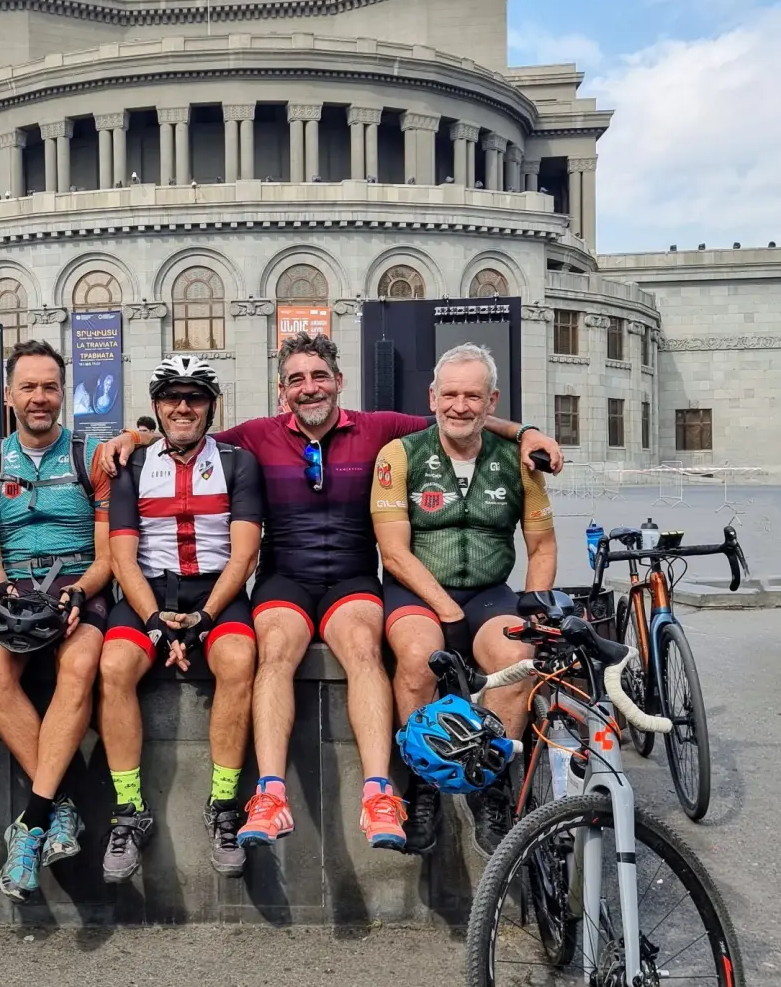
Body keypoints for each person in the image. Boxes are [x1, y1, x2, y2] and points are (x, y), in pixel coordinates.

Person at [104, 333, 561, 856]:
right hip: (284, 579)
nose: (309, 388)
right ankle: (270, 794)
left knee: (365, 651)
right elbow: (184, 430)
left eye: (319, 376)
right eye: (297, 379)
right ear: (283, 390)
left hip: (352, 579)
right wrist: (134, 436)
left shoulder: (379, 429)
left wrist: (524, 432)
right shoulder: (256, 436)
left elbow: (458, 418)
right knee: (273, 652)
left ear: (339, 382)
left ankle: (379, 793)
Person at [370, 342, 557, 856]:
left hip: (489, 591)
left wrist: (537, 602)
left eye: (472, 395)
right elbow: (393, 550)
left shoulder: (520, 463)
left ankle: (490, 784)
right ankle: (424, 784)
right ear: (432, 397)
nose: (460, 405)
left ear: (491, 400)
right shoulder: (400, 454)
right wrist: (444, 607)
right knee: (416, 658)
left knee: (518, 660)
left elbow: (541, 544)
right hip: (414, 588)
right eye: (449, 394)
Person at [99, 354, 265, 881]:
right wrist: (152, 621)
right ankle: (129, 810)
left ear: (211, 407)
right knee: (114, 667)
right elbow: (122, 558)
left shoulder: (239, 463)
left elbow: (244, 555)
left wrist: (205, 617)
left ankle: (223, 807)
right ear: (156, 406)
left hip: (217, 590)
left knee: (238, 659)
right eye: (172, 396)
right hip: (149, 591)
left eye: (195, 396)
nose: (183, 406)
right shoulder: (133, 465)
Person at [0, 341, 118, 900]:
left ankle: (30, 821)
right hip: (14, 587)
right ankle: (58, 810)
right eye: (28, 387)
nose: (40, 398)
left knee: (81, 661)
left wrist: (79, 592)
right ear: (9, 395)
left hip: (78, 582)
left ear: (64, 393)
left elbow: (108, 556)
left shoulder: (93, 457)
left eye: (50, 387)